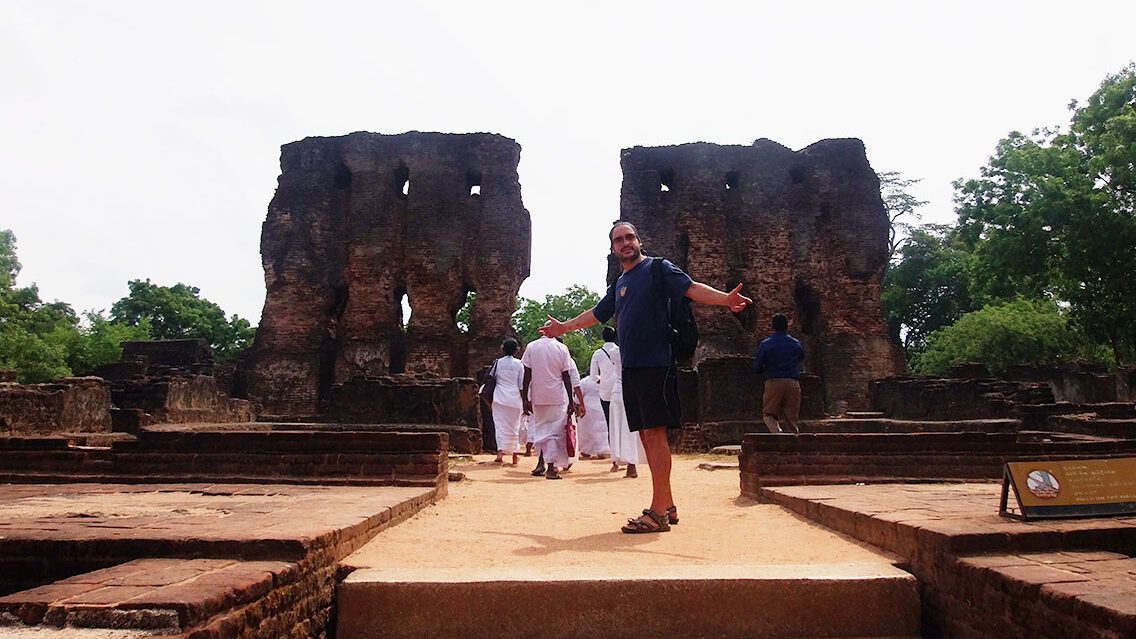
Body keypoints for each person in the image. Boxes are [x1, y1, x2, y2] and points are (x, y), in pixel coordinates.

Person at [540, 221, 752, 533]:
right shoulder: (621, 283)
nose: (625, 243)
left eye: (629, 237)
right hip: (633, 367)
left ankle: (657, 512)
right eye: (618, 240)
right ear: (613, 249)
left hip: (656, 363)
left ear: (639, 241)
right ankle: (666, 503)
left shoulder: (657, 269)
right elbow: (596, 314)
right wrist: (562, 328)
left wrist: (725, 299)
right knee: (645, 435)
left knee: (654, 434)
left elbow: (691, 288)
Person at [520, 332, 579, 480]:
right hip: (557, 396)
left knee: (540, 430)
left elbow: (526, 375)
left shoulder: (532, 347)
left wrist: (525, 398)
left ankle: (541, 463)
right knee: (553, 433)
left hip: (537, 396)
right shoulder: (561, 348)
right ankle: (551, 468)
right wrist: (571, 401)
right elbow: (566, 376)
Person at [752, 313, 805, 434]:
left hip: (774, 380)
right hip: (792, 381)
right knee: (791, 418)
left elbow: (757, 366)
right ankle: (793, 445)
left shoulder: (766, 344)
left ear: (772, 326)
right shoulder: (795, 343)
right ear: (787, 326)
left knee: (768, 414)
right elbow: (800, 357)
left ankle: (777, 434)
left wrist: (763, 370)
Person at [488, 338, 527, 465]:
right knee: (515, 427)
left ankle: (500, 452)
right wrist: (524, 400)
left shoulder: (498, 363)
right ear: (516, 350)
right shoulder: (519, 364)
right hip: (514, 398)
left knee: (500, 426)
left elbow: (490, 378)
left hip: (499, 397)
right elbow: (521, 385)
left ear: (503, 349)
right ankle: (515, 455)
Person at [589, 326, 620, 425]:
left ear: (603, 338)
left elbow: (593, 376)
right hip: (621, 390)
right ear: (615, 337)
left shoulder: (598, 353)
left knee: (609, 423)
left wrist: (601, 381)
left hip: (605, 392)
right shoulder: (620, 350)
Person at [576, 373, 611, 459]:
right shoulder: (602, 379)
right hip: (601, 406)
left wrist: (578, 404)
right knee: (602, 431)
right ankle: (602, 450)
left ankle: (586, 451)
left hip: (587, 407)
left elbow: (578, 395)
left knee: (587, 431)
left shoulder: (584, 381)